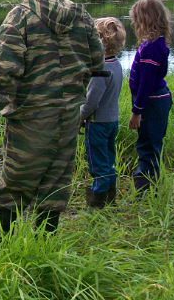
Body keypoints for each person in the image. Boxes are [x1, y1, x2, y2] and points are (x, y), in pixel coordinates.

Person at [0, 0, 104, 238]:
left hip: (30, 119)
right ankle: (44, 244)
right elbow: (97, 63)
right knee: (56, 185)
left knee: (14, 184)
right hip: (68, 117)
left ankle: (1, 250)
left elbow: (5, 67)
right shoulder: (81, 15)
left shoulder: (19, 17)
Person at [128, 0, 173, 193]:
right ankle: (154, 187)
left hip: (151, 103)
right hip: (156, 100)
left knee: (147, 146)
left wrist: (137, 111)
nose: (135, 24)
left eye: (136, 20)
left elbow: (145, 84)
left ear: (145, 21)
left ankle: (145, 193)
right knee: (153, 144)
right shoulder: (157, 44)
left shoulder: (151, 49)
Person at [79, 17, 126, 208]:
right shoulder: (116, 65)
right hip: (111, 121)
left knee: (97, 163)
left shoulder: (101, 70)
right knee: (108, 160)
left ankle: (97, 203)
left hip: (97, 123)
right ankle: (110, 197)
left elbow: (91, 101)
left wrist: (80, 116)